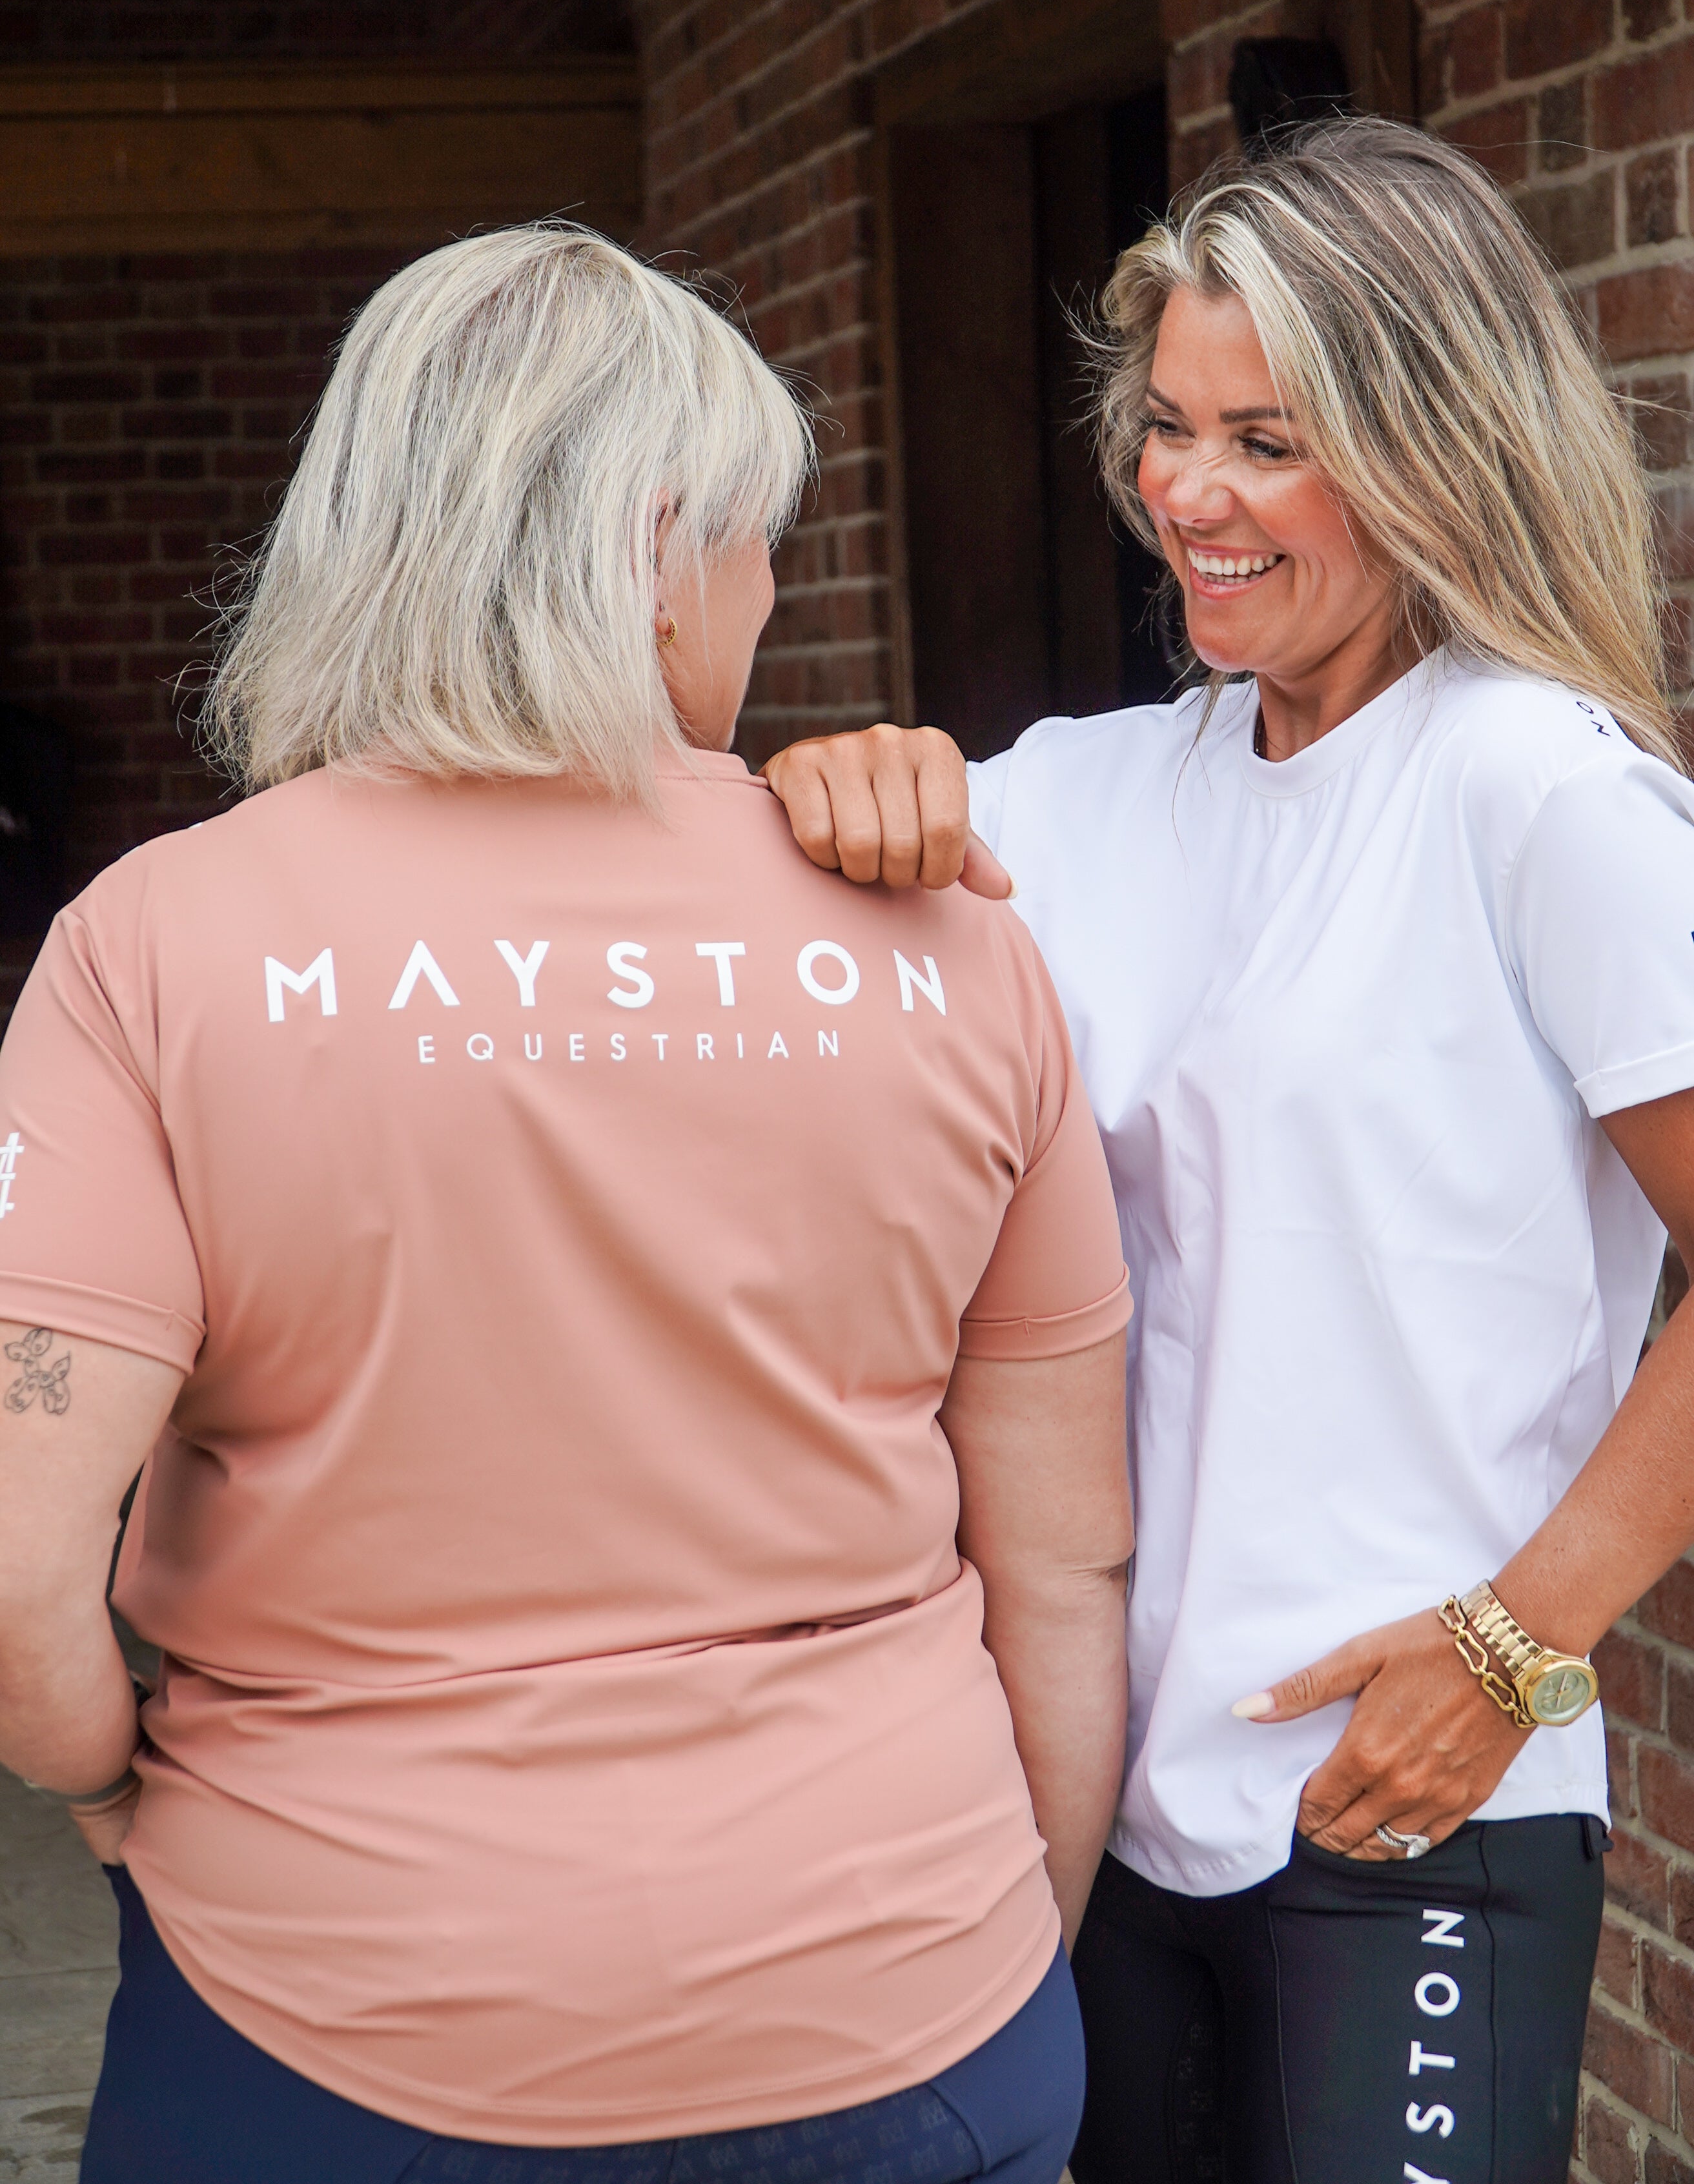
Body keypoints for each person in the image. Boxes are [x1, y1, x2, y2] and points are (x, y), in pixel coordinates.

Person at [0, 226, 1134, 2184]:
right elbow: (1063, 1574)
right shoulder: (958, 947)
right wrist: (995, 1945)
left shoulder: (156, 947)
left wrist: (101, 1788)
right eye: (765, 542)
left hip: (332, 2015)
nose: (768, 602)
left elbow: (15, 1563)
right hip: (909, 2006)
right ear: (668, 538)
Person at [762, 117, 1694, 2184]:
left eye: (1267, 436)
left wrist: (1518, 1644)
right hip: (1099, 1804)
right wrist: (832, 786)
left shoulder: (1536, 792)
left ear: (1432, 444)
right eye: (1171, 428)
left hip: (1409, 1798)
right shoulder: (1082, 799)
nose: (1189, 494)